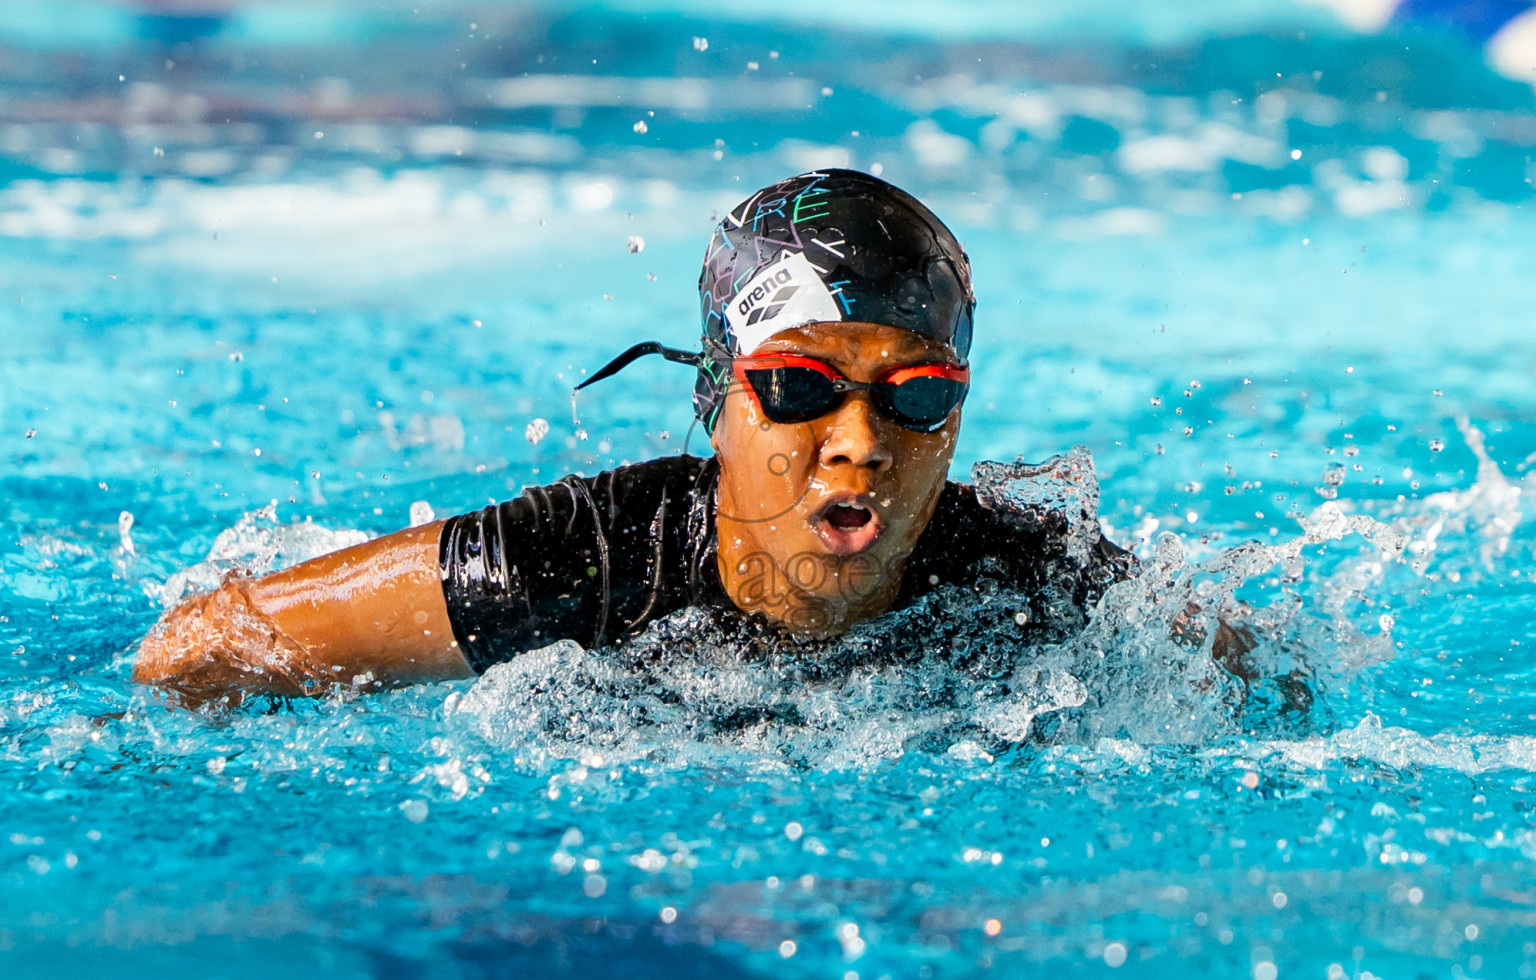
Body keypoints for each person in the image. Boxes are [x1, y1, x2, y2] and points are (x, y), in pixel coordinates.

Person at [132, 168, 1135, 706]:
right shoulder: (585, 556)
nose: (859, 441)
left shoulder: (1029, 580)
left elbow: (1265, 686)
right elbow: (202, 644)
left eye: (915, 394)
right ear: (716, 400)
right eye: (797, 386)